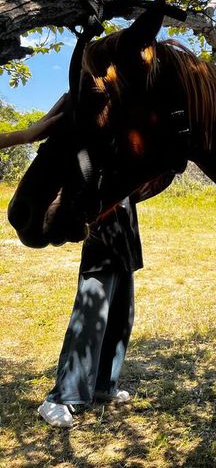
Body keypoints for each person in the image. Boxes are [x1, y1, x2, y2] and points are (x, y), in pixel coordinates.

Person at [37, 174, 174, 428]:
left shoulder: (128, 167)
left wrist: (170, 168)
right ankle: (58, 399)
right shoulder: (97, 166)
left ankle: (102, 384)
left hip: (124, 247)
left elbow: (143, 188)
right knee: (90, 323)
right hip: (100, 249)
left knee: (122, 319)